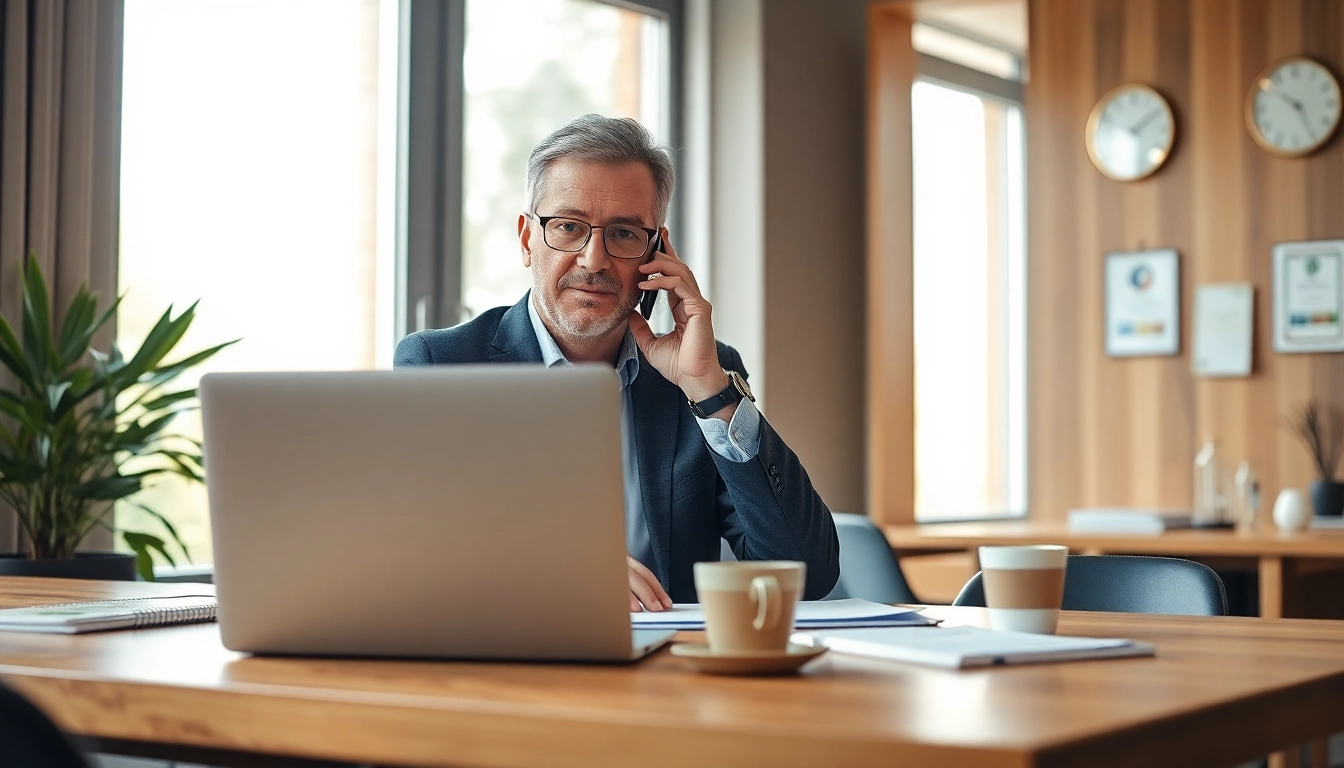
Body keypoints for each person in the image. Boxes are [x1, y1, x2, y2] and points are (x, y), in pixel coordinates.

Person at [394, 114, 838, 610]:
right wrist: (563, 566)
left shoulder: (699, 380)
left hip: (664, 677)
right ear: (526, 239)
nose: (593, 260)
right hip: (507, 669)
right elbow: (411, 553)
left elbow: (808, 573)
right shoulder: (443, 365)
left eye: (624, 233)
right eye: (567, 227)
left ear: (657, 252)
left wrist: (711, 391)